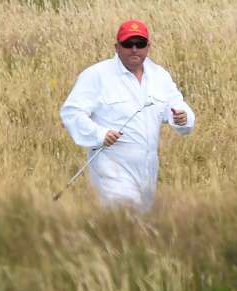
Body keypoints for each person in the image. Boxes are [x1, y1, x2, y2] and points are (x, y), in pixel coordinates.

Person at [60, 19, 195, 211]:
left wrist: (182, 118)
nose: (134, 49)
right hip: (112, 170)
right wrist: (99, 134)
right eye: (127, 44)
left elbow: (177, 107)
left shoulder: (159, 76)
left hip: (148, 171)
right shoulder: (97, 75)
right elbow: (71, 113)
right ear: (117, 47)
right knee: (122, 221)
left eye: (139, 44)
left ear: (148, 46)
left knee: (141, 228)